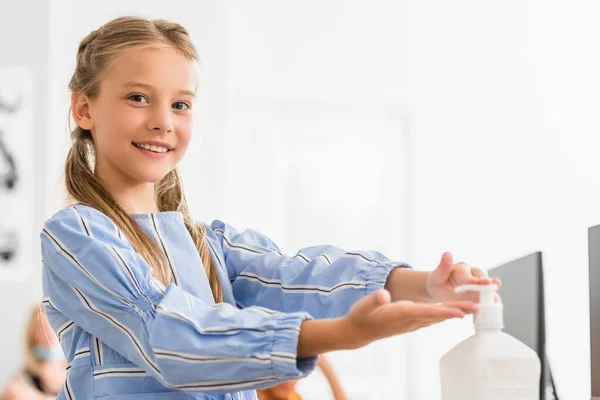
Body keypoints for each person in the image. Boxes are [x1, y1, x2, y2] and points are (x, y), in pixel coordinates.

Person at [40, 16, 500, 399]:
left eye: (181, 104)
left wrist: (423, 284)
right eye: (138, 97)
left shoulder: (210, 245)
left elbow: (296, 277)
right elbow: (166, 334)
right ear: (84, 109)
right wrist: (340, 335)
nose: (162, 121)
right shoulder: (75, 236)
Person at [1, 306, 66, 400]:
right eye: (41, 327)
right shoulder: (20, 381)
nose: (47, 333)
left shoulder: (78, 372)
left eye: (51, 325)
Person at [257, 354, 347, 400]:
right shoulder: (254, 392)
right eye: (283, 373)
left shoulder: (293, 397)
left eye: (294, 375)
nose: (288, 382)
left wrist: (326, 367)